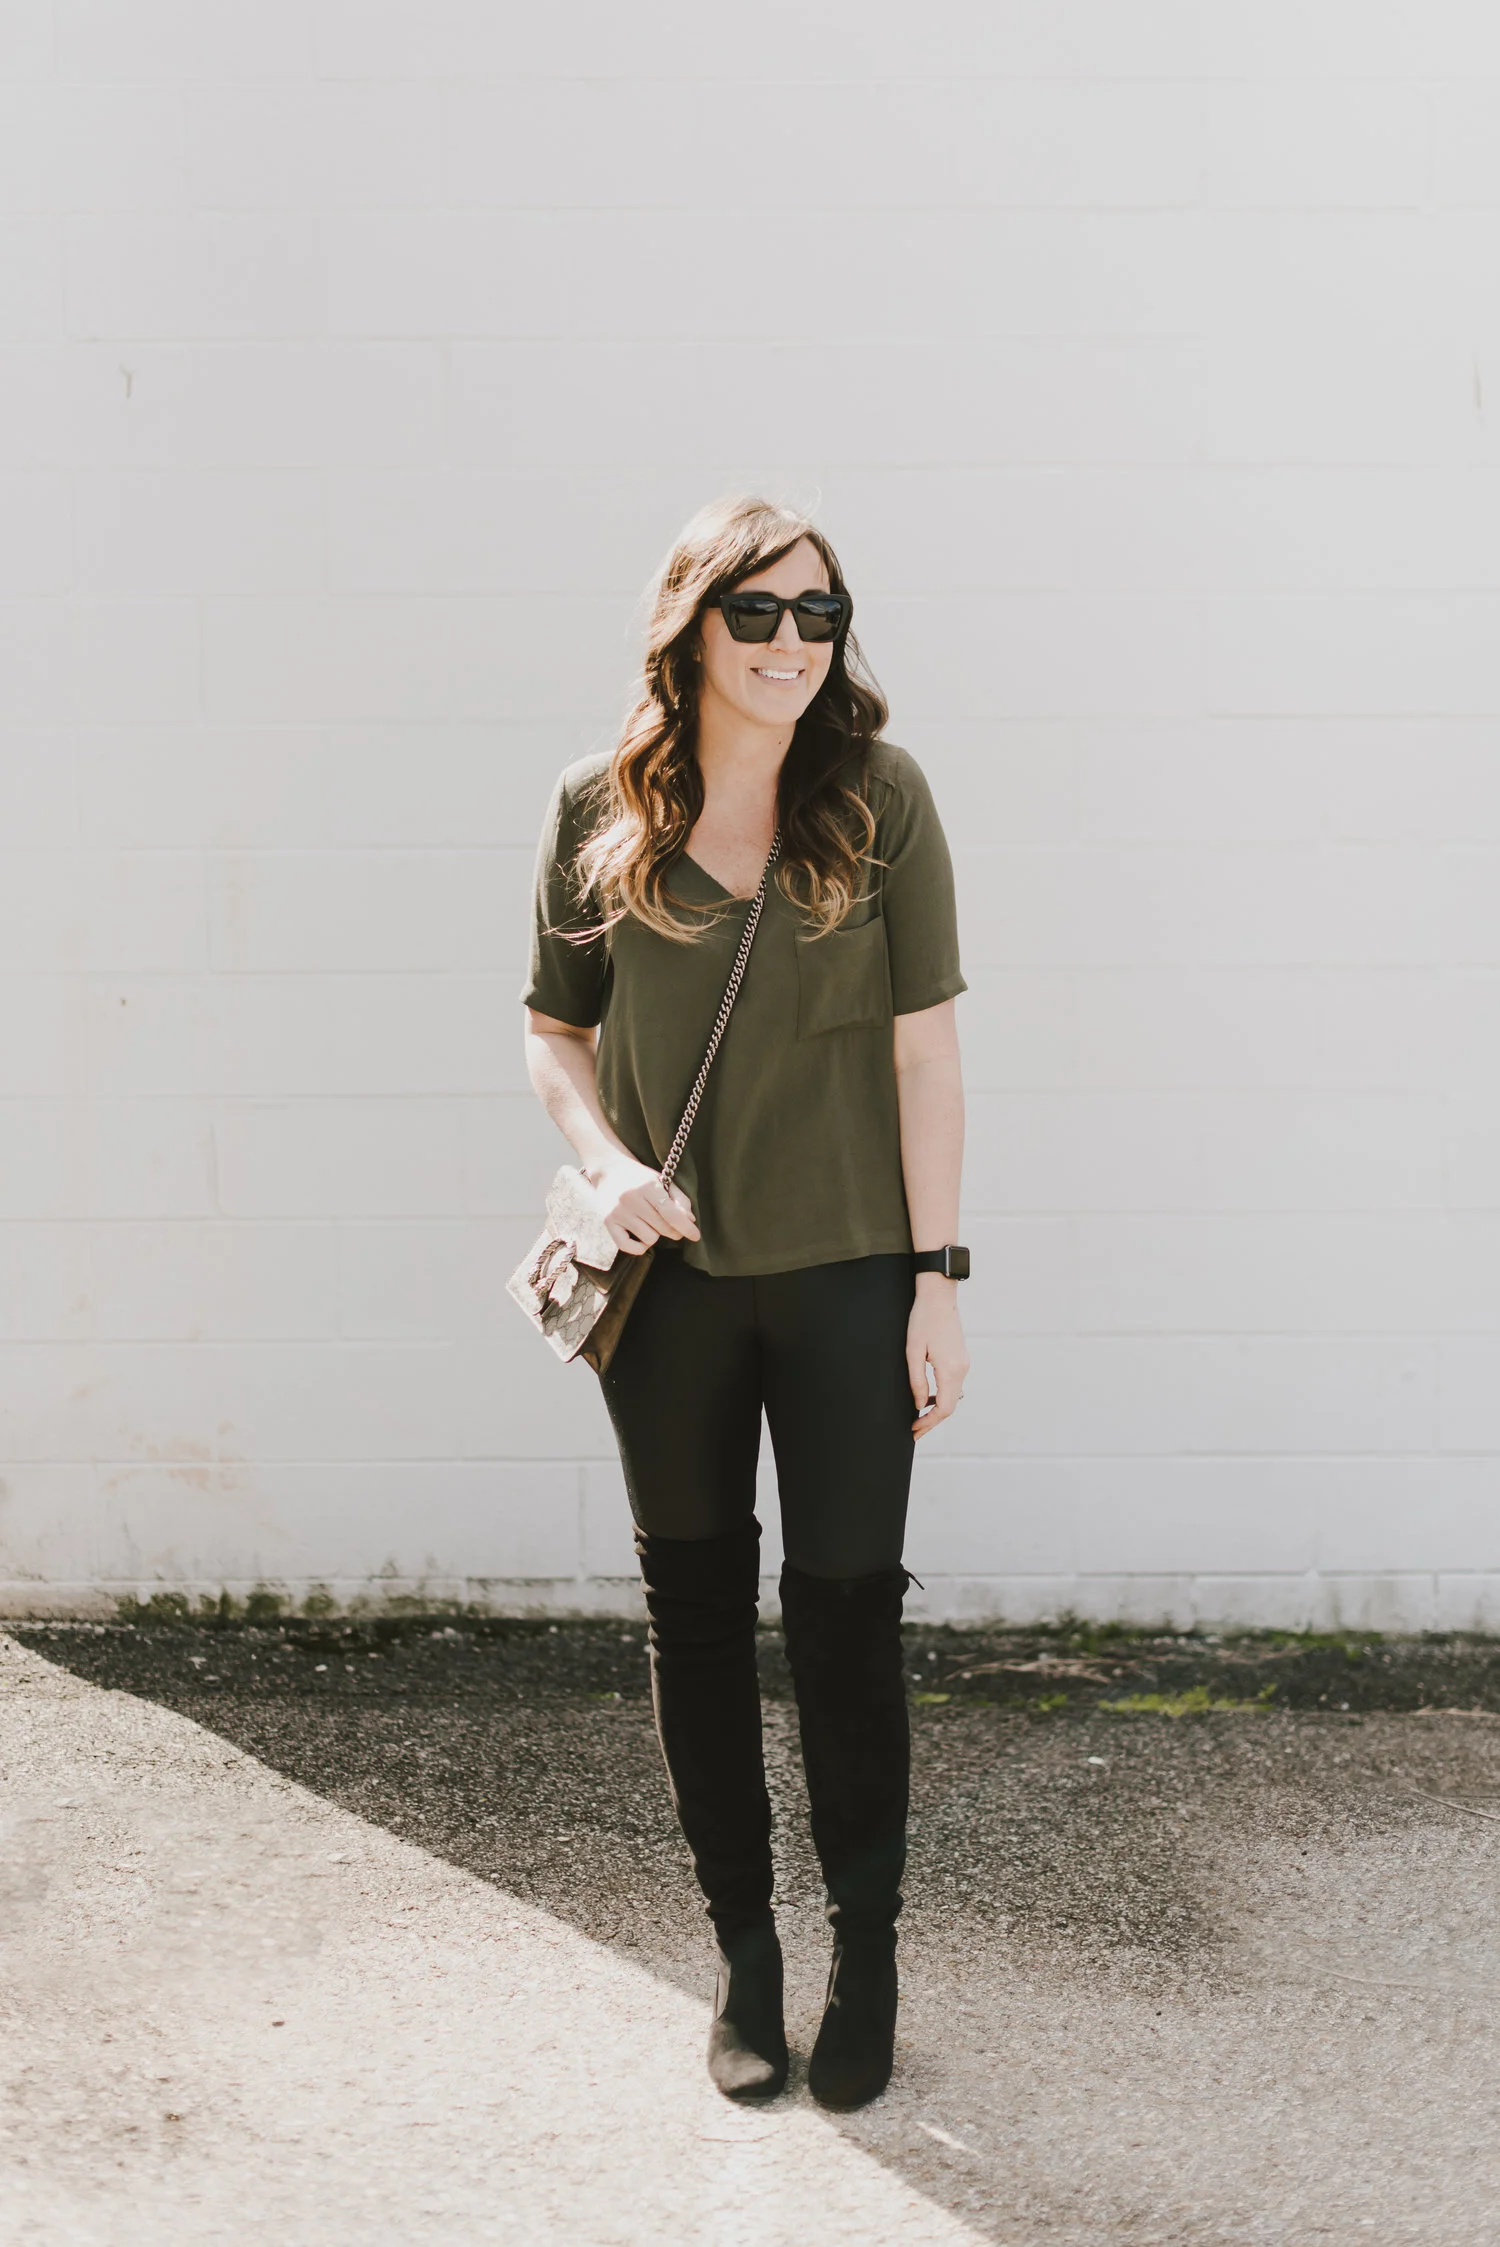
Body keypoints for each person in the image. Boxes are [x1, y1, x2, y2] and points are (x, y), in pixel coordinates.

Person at [521, 496, 969, 2109]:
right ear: (693, 626)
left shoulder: (879, 797)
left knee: (847, 1621)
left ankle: (867, 1955)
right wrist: (604, 1165)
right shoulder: (599, 804)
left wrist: (936, 1282)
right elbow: (553, 1032)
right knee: (699, 1620)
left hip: (849, 1280)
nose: (792, 643)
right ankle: (746, 1959)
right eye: (759, 612)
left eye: (818, 614)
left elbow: (927, 1055)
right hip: (672, 1295)